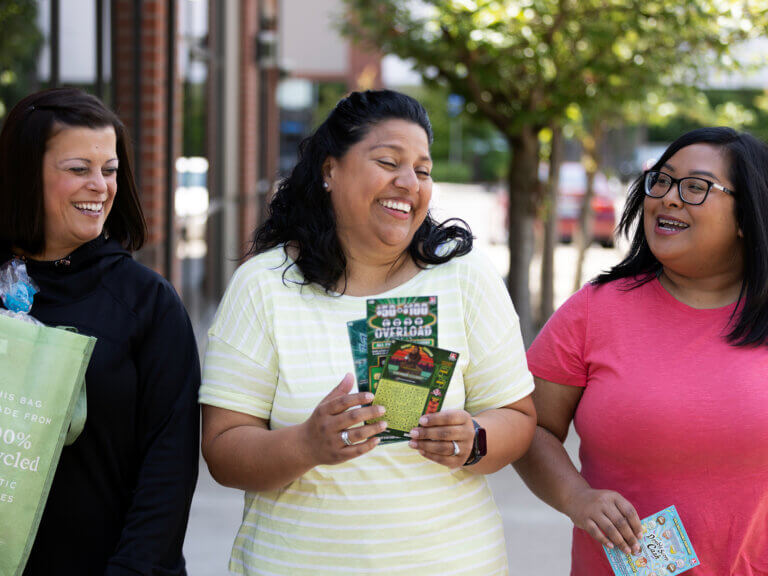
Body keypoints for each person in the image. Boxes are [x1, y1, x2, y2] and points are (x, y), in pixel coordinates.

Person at [199, 90, 536, 575]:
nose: (408, 183)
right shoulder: (264, 286)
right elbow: (223, 449)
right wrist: (306, 445)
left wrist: (474, 440)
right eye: (388, 162)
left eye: (422, 170)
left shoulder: (465, 276)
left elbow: (518, 415)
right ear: (330, 170)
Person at [515, 127, 768, 575]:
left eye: (696, 187)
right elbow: (528, 427)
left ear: (747, 216)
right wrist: (576, 497)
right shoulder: (595, 310)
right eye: (662, 181)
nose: (669, 198)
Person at [0, 88, 201, 575]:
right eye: (78, 169)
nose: (100, 186)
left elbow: (168, 470)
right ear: (27, 172)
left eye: (109, 170)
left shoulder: (147, 303)